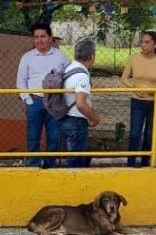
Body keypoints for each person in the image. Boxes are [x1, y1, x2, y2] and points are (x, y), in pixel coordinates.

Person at [16, 22, 70, 167]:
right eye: (36, 37)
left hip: (55, 102)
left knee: (54, 137)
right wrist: (28, 100)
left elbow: (69, 78)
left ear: (50, 38)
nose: (39, 40)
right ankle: (33, 167)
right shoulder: (27, 57)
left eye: (43, 36)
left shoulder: (61, 56)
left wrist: (64, 99)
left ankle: (49, 167)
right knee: (33, 137)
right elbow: (21, 81)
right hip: (35, 101)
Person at [121, 30, 156, 167]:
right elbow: (124, 78)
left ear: (155, 44)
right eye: (142, 41)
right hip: (136, 101)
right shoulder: (133, 58)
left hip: (154, 103)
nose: (143, 45)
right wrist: (135, 89)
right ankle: (130, 164)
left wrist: (155, 91)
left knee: (150, 136)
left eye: (147, 42)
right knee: (134, 134)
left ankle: (146, 164)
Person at [59, 39, 100, 168]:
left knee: (80, 155)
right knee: (76, 160)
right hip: (76, 120)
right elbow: (81, 104)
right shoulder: (82, 75)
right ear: (92, 56)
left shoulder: (69, 68)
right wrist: (95, 119)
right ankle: (74, 186)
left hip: (65, 117)